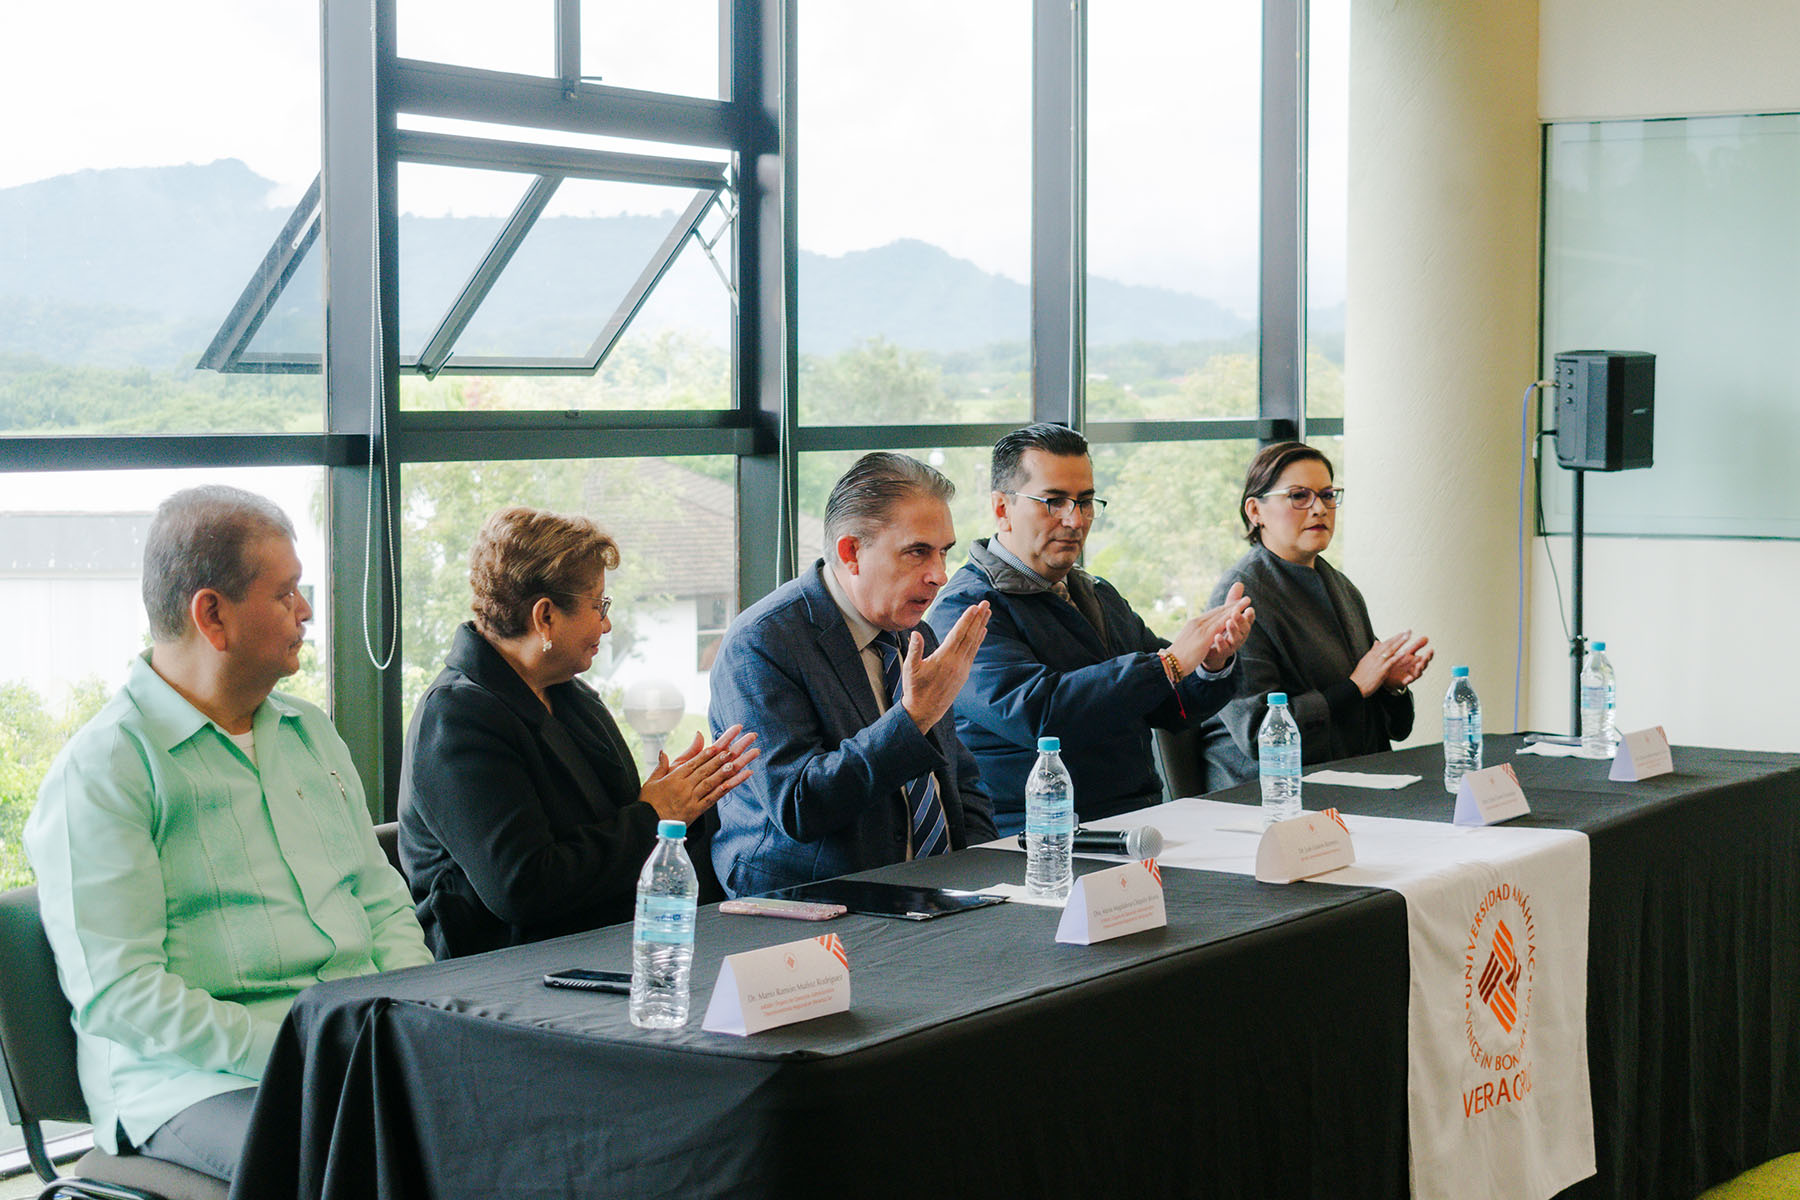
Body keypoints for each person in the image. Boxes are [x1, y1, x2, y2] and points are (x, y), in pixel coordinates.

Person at [23, 486, 432, 1184]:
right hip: (192, 1085)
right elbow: (124, 995)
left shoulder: (311, 734)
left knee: (503, 1117)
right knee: (363, 1161)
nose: (306, 611)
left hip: (349, 1048)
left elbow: (381, 902)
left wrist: (422, 1025)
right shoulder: (104, 772)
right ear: (211, 614)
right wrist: (301, 1052)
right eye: (286, 594)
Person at [398, 506, 758, 959]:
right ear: (545, 616)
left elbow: (622, 825)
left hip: (601, 944)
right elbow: (522, 888)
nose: (605, 624)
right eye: (597, 605)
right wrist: (654, 815)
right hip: (506, 974)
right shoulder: (455, 718)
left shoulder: (572, 696)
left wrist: (677, 801)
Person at [927, 424, 1255, 833]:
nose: (1075, 519)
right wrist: (1168, 664)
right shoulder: (967, 609)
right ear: (1001, 508)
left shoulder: (1096, 593)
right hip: (1031, 836)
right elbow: (1039, 715)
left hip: (1135, 821)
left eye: (1085, 502)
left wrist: (1211, 663)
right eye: (1053, 501)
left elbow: (1169, 706)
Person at [709, 453, 998, 897]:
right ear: (851, 552)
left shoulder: (914, 632)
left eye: (943, 553)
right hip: (810, 899)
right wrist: (913, 719)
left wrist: (974, 865)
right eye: (917, 552)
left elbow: (958, 778)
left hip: (933, 889)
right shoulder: (762, 642)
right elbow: (799, 806)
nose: (939, 575)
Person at [1199, 442, 1433, 786]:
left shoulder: (1340, 586)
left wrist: (1390, 686)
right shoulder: (1240, 596)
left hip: (1351, 779)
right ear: (1255, 511)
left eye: (1327, 495)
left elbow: (1389, 727)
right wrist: (1356, 687)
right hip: (1268, 795)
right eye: (1298, 496)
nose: (1319, 509)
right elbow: (1259, 734)